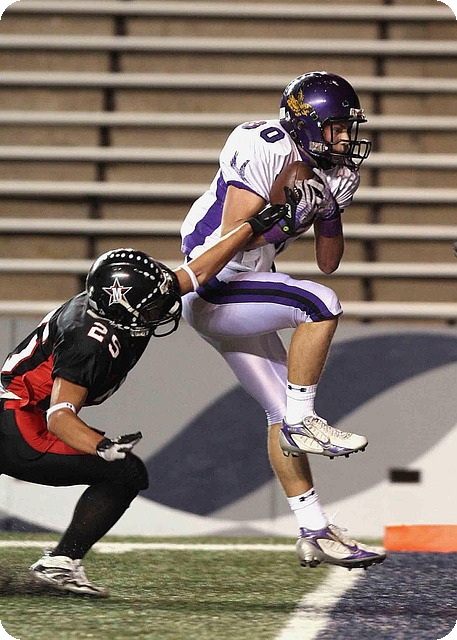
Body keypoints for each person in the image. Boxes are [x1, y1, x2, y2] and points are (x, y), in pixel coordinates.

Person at [0, 202, 293, 597]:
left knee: (124, 472)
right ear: (123, 309)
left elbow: (196, 273)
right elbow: (60, 416)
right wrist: (102, 446)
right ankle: (61, 562)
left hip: (16, 412)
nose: (164, 307)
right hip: (20, 421)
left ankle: (59, 562)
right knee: (124, 472)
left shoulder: (113, 310)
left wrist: (249, 228)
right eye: (152, 305)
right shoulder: (90, 341)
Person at [180, 71, 386, 569]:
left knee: (280, 413)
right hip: (215, 279)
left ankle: (314, 529)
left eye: (348, 128)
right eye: (337, 127)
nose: (345, 138)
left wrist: (327, 209)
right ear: (307, 123)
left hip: (249, 286)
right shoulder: (263, 143)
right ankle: (304, 420)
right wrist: (281, 213)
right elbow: (234, 233)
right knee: (321, 304)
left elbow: (328, 260)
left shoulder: (339, 174)